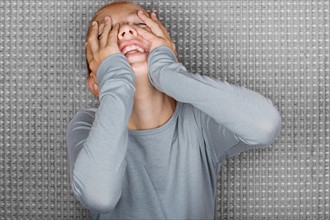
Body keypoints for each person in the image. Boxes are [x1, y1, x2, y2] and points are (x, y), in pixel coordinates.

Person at [67, 1, 281, 219]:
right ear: (95, 82)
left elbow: (264, 125)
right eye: (108, 33)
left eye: (140, 25)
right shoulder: (86, 124)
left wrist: (168, 72)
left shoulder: (199, 121)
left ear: (166, 47)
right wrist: (114, 76)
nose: (125, 31)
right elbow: (98, 196)